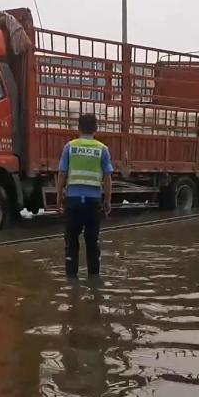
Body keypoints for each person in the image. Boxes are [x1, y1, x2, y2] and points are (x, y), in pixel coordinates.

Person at [56, 114, 113, 277]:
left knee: (71, 244)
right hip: (93, 202)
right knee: (92, 243)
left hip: (73, 202)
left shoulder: (70, 147)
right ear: (96, 129)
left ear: (78, 128)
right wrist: (107, 201)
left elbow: (62, 174)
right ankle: (94, 284)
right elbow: (108, 178)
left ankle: (71, 283)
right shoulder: (102, 149)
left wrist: (59, 197)